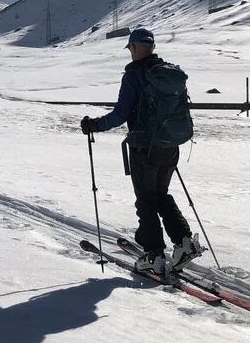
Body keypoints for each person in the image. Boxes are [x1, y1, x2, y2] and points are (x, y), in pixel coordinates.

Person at [79, 28, 202, 277]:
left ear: (135, 48)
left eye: (131, 49)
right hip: (170, 145)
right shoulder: (167, 72)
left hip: (144, 148)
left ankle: (154, 255)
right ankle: (185, 243)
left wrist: (94, 125)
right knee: (160, 195)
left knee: (146, 199)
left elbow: (120, 115)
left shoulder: (134, 76)